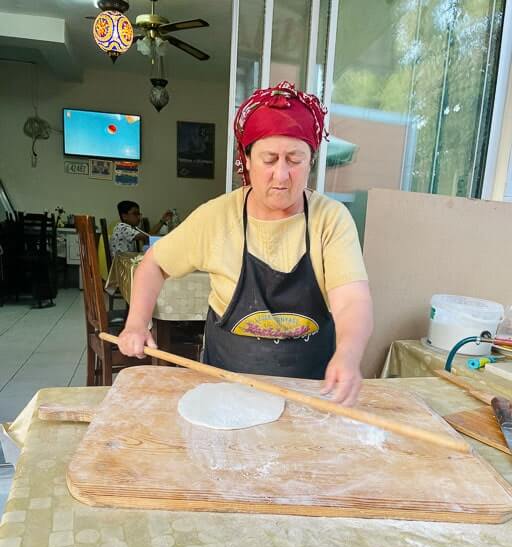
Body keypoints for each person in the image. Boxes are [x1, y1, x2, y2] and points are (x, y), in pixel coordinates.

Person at [118, 81, 373, 405]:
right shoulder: (217, 217)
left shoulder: (331, 220)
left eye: (294, 159)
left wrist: (349, 355)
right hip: (225, 388)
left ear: (310, 161)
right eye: (269, 159)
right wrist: (136, 323)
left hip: (310, 393)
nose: (281, 175)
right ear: (247, 161)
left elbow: (353, 301)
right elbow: (154, 263)